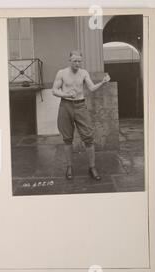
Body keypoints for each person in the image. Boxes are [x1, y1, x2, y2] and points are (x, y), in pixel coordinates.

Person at [52, 50, 110, 180]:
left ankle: (92, 168)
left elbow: (91, 88)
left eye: (79, 61)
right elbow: (54, 90)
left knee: (88, 137)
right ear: (69, 60)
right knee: (67, 139)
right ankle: (69, 167)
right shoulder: (61, 73)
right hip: (65, 106)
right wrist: (66, 94)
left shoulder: (84, 73)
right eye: (74, 61)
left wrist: (103, 82)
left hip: (80, 106)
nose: (77, 63)